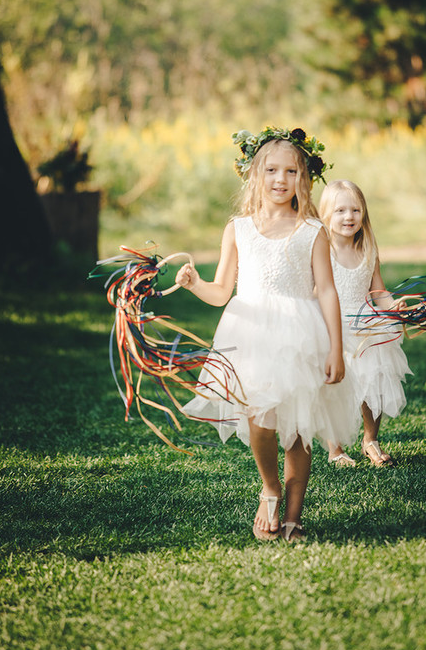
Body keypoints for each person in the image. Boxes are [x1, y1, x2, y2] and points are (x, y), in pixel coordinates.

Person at [176, 128, 356, 542]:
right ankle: (270, 486)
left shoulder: (313, 231)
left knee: (298, 425)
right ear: (254, 174)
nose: (280, 179)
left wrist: (337, 349)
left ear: (304, 177)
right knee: (261, 418)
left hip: (300, 334)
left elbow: (326, 291)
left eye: (290, 171)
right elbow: (221, 291)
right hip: (251, 332)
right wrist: (194, 284)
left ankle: (293, 516)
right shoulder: (238, 229)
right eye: (271, 170)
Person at [318, 179, 412, 468]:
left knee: (376, 379)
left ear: (364, 213)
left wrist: (392, 306)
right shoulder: (321, 251)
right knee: (337, 388)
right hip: (334, 325)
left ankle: (370, 438)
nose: (349, 217)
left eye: (356, 210)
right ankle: (336, 448)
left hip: (368, 325)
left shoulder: (368, 248)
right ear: (326, 214)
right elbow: (316, 292)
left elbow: (378, 291)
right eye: (341, 211)